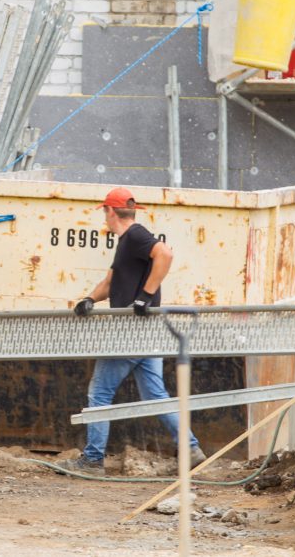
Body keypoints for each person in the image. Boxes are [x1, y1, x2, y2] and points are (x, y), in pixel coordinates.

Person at [58, 187, 207, 476]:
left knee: (99, 393)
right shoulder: (126, 243)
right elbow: (111, 280)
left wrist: (145, 296)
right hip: (147, 333)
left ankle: (92, 460)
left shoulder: (136, 236)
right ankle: (191, 448)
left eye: (104, 212)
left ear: (109, 211)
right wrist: (90, 299)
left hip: (130, 332)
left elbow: (165, 253)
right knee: (156, 395)